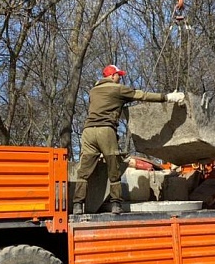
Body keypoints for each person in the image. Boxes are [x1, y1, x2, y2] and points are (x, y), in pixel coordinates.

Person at [72, 65, 185, 215]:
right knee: (114, 168)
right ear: (112, 76)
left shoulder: (93, 91)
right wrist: (167, 97)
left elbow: (106, 104)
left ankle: (78, 205)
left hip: (87, 132)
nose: (120, 78)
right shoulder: (117, 89)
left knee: (84, 171)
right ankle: (116, 204)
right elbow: (142, 95)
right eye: (119, 75)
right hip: (105, 131)